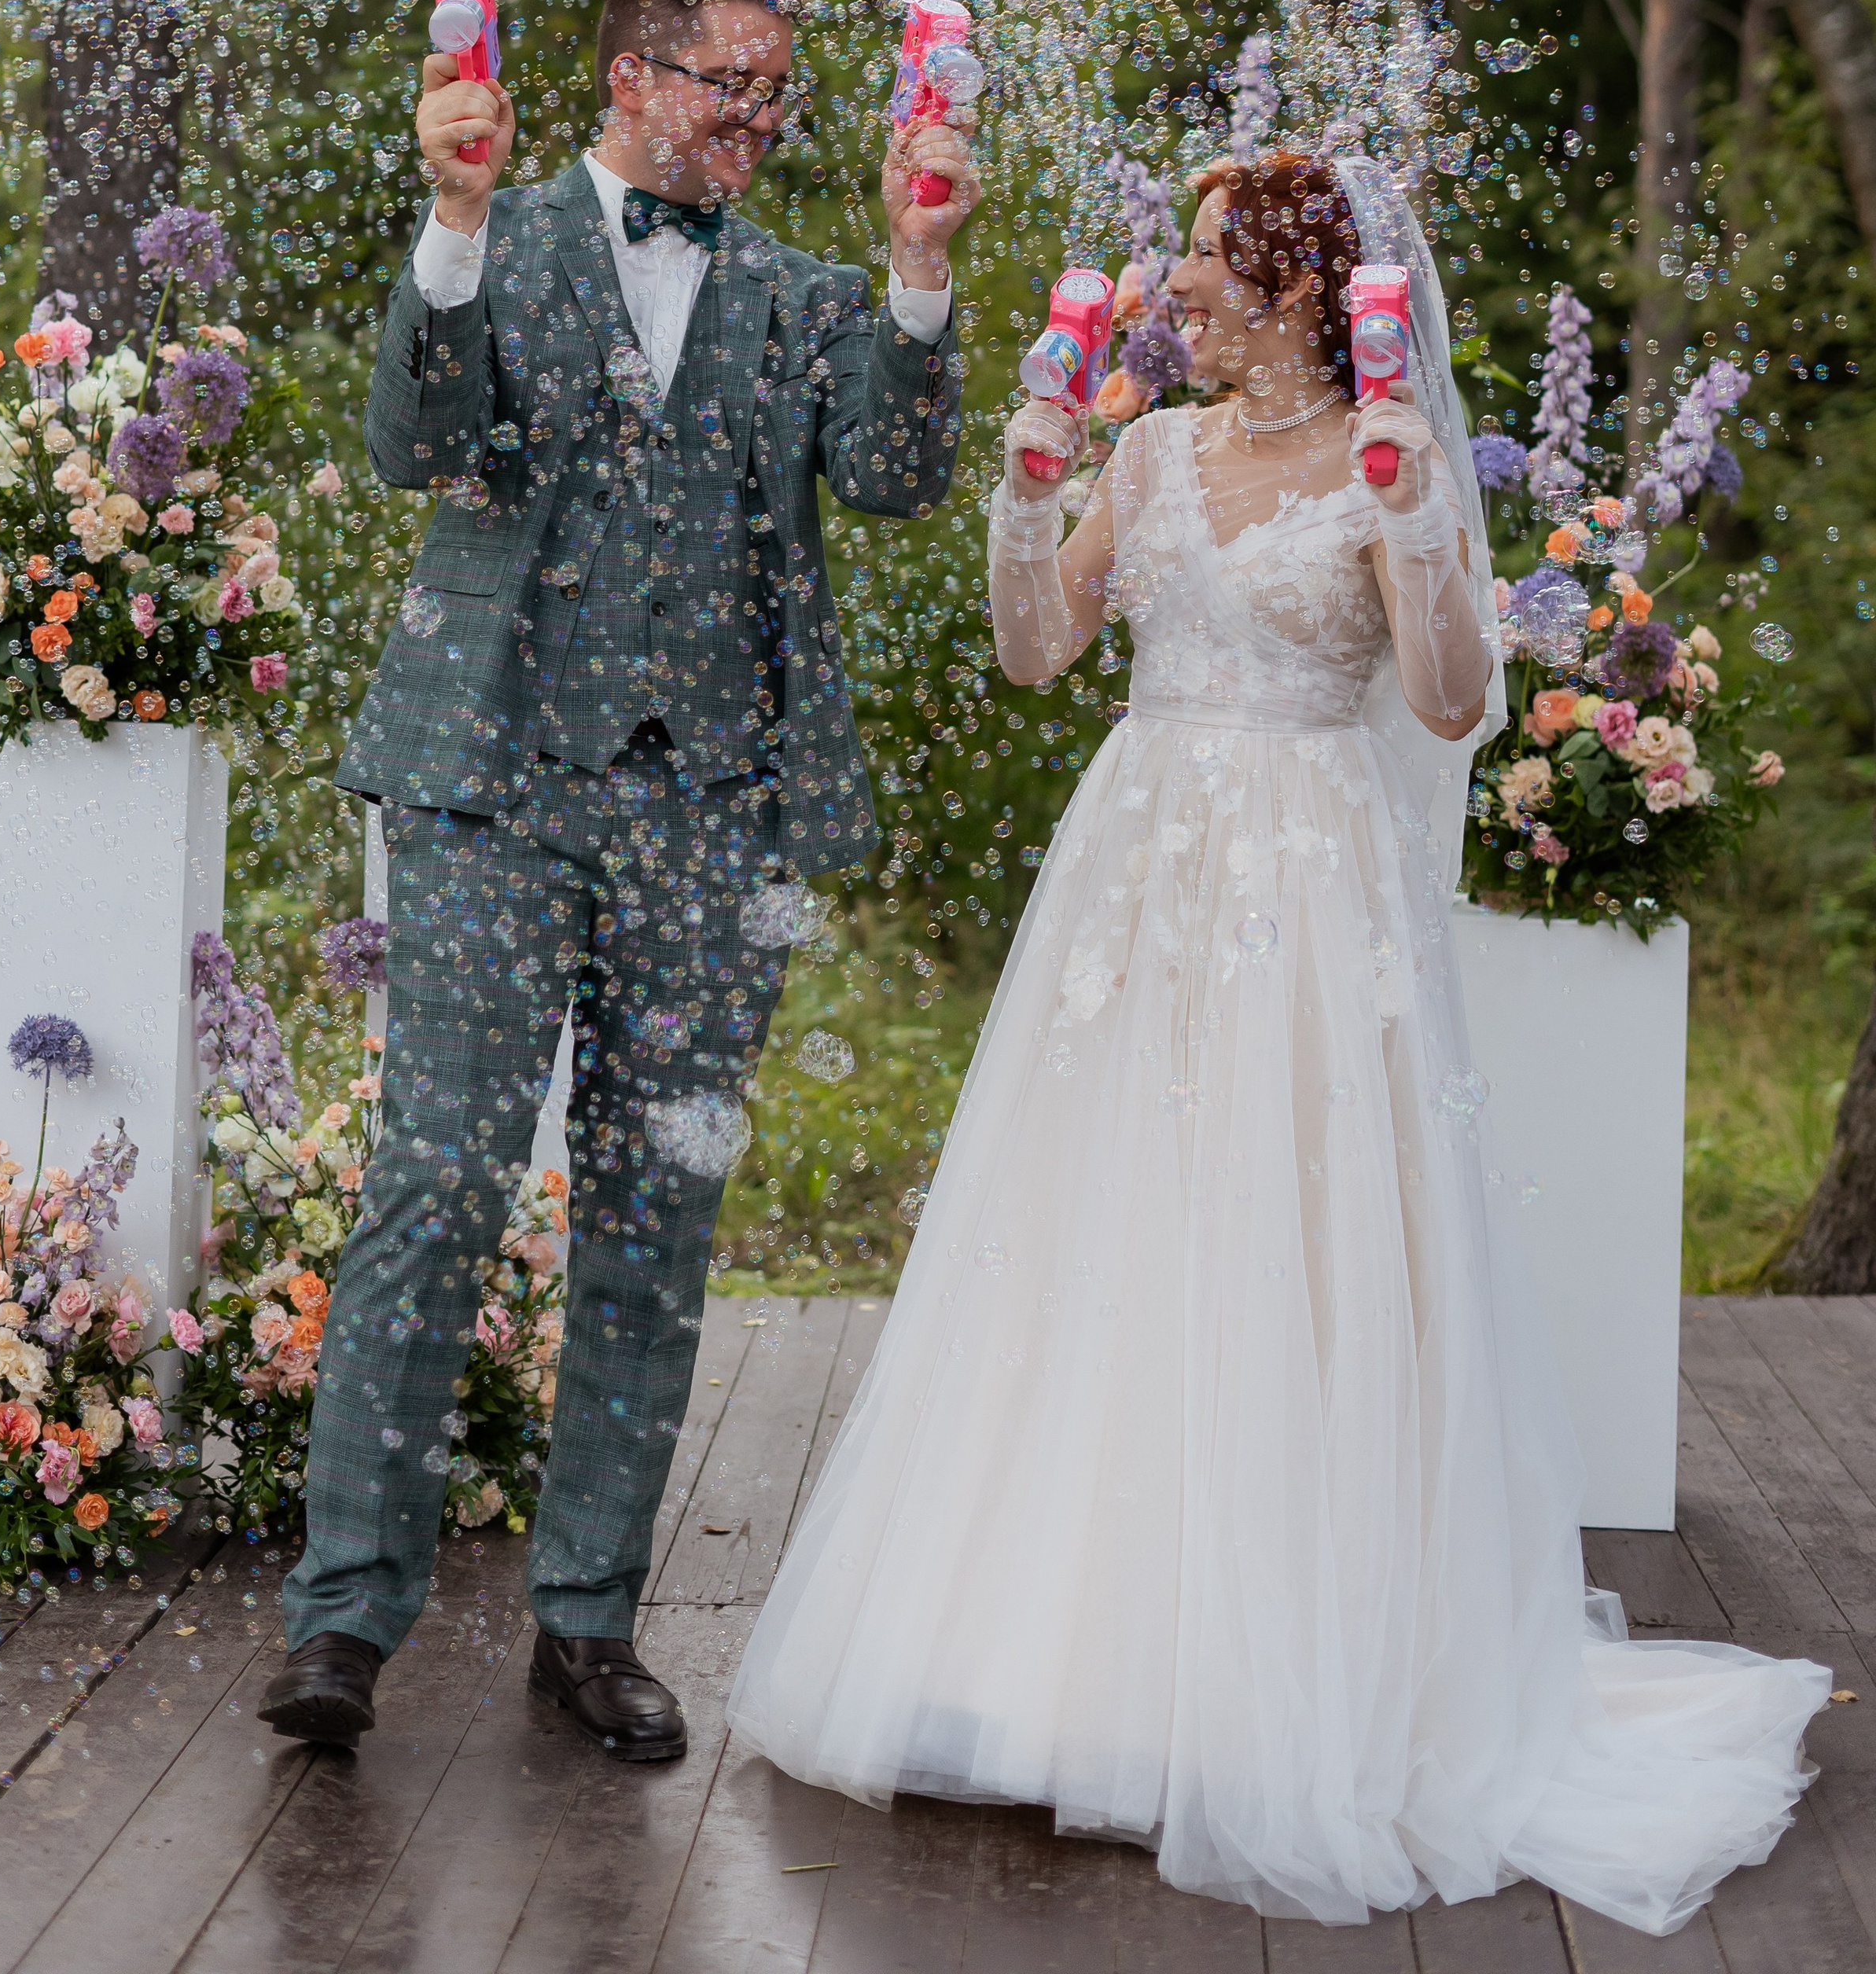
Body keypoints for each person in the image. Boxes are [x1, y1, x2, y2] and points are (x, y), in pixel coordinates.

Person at [728, 148, 1830, 1935]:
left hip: (1311, 893)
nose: (1172, 281)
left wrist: (1405, 512)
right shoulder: (1148, 450)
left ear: (1303, 289)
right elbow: (1033, 654)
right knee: (1097, 1224)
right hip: (1135, 869)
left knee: (1283, 1233)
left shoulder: (1384, 454)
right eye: (1176, 253)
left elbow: (1450, 700)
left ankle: (1278, 1665)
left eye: (1206, 258)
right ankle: (1057, 1654)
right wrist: (1025, 497)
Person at [263, 0, 976, 1759]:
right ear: (627, 78)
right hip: (494, 792)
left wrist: (914, 274)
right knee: (431, 1193)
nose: (752, 122)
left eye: (773, 91)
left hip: (716, 813)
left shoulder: (809, 293)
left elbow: (895, 481)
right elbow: (413, 442)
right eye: (724, 84)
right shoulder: (493, 243)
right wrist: (443, 218)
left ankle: (587, 1625)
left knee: (655, 1228)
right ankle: (343, 1620)